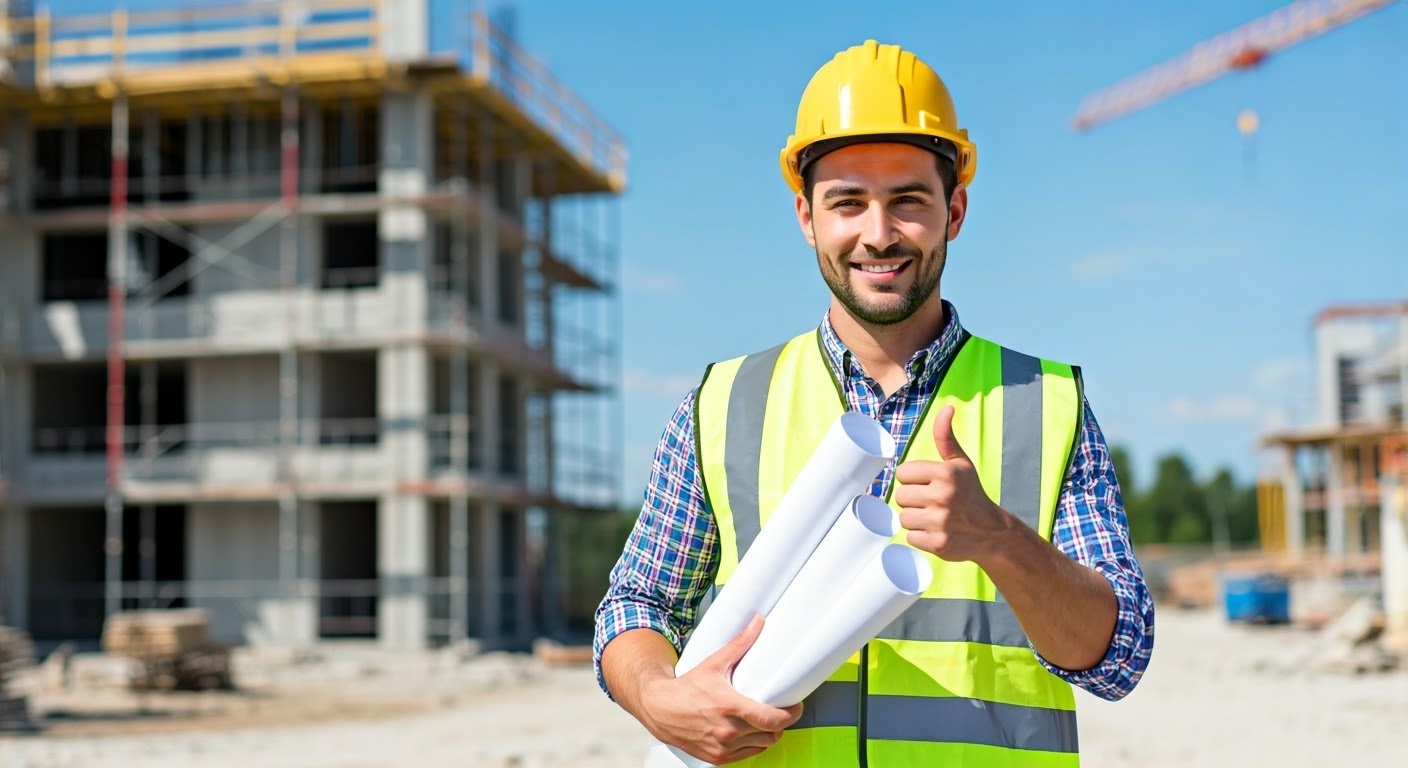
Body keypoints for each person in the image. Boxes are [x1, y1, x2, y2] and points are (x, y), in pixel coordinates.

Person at [594, 39, 1154, 767]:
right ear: (806, 216)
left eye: (908, 202)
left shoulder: (1046, 407)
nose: (878, 233)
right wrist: (657, 698)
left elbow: (1118, 659)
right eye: (847, 203)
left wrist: (998, 540)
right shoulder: (723, 404)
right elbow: (638, 604)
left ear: (955, 210)